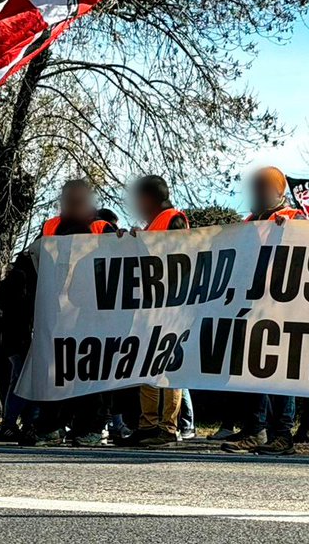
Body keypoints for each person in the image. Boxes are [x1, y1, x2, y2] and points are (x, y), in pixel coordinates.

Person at [28, 180, 118, 446]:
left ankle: (91, 427)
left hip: (94, 317)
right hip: (58, 316)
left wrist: (132, 240)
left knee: (92, 374)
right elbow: (34, 261)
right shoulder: (50, 227)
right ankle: (52, 426)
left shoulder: (102, 228)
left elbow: (124, 261)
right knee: (57, 373)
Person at [222, 167, 305, 456]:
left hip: (283, 310)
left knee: (279, 371)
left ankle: (283, 434)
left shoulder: (295, 217)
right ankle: (255, 429)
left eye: (265, 187)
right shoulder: (249, 222)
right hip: (251, 308)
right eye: (256, 187)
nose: (259, 192)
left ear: (280, 190)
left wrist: (292, 230)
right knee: (251, 370)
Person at [116, 175, 189, 447]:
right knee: (147, 366)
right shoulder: (155, 224)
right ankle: (147, 425)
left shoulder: (174, 220)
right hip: (151, 308)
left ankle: (167, 427)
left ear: (148, 199)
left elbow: (178, 259)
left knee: (168, 368)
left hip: (170, 309)